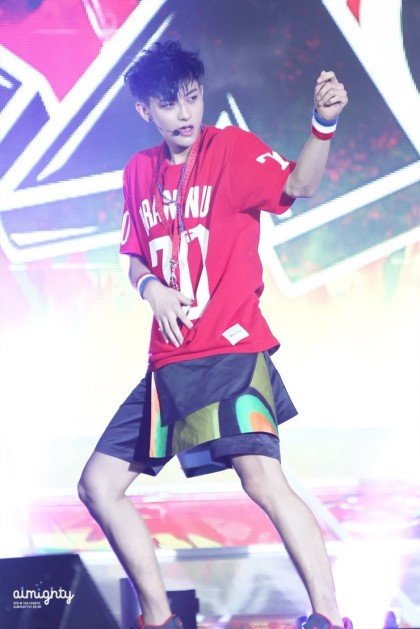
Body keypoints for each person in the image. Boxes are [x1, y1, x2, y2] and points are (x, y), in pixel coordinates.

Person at [78, 41, 351, 629]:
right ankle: (160, 619)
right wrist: (151, 287)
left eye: (193, 98)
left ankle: (329, 617)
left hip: (229, 350)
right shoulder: (138, 172)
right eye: (169, 103)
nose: (185, 113)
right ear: (144, 109)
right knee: (98, 486)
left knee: (262, 478)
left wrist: (323, 124)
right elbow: (132, 257)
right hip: (168, 364)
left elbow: (301, 184)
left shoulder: (231, 149)